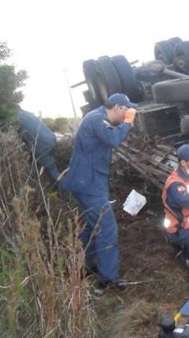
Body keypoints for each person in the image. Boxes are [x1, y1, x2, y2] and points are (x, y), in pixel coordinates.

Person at [62, 93, 137, 288]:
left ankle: (83, 265)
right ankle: (108, 278)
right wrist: (128, 123)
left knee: (92, 225)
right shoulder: (97, 119)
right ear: (118, 108)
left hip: (89, 181)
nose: (128, 114)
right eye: (127, 111)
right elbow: (113, 139)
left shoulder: (99, 118)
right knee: (107, 227)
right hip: (87, 183)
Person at [17, 106, 60, 184]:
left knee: (52, 171)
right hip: (50, 138)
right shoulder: (27, 113)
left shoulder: (16, 117)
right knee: (48, 169)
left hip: (41, 144)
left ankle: (66, 192)